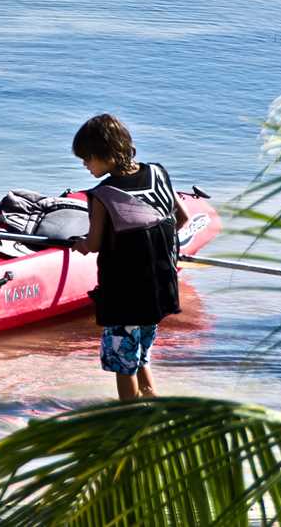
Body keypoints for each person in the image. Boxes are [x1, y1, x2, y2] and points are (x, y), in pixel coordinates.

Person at [70, 113, 190, 400]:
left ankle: (128, 414)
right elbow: (181, 218)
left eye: (87, 158)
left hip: (125, 293)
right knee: (140, 351)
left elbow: (95, 244)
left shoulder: (103, 194)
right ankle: (149, 396)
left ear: (106, 154)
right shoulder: (158, 173)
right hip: (161, 288)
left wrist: (79, 244)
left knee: (123, 360)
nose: (85, 166)